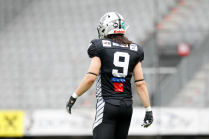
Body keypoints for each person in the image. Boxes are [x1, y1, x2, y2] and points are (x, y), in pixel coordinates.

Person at [66, 12, 153, 139]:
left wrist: (74, 97)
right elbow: (140, 83)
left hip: (108, 104)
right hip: (127, 106)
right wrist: (148, 109)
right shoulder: (135, 49)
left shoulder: (99, 46)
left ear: (106, 28)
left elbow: (91, 77)